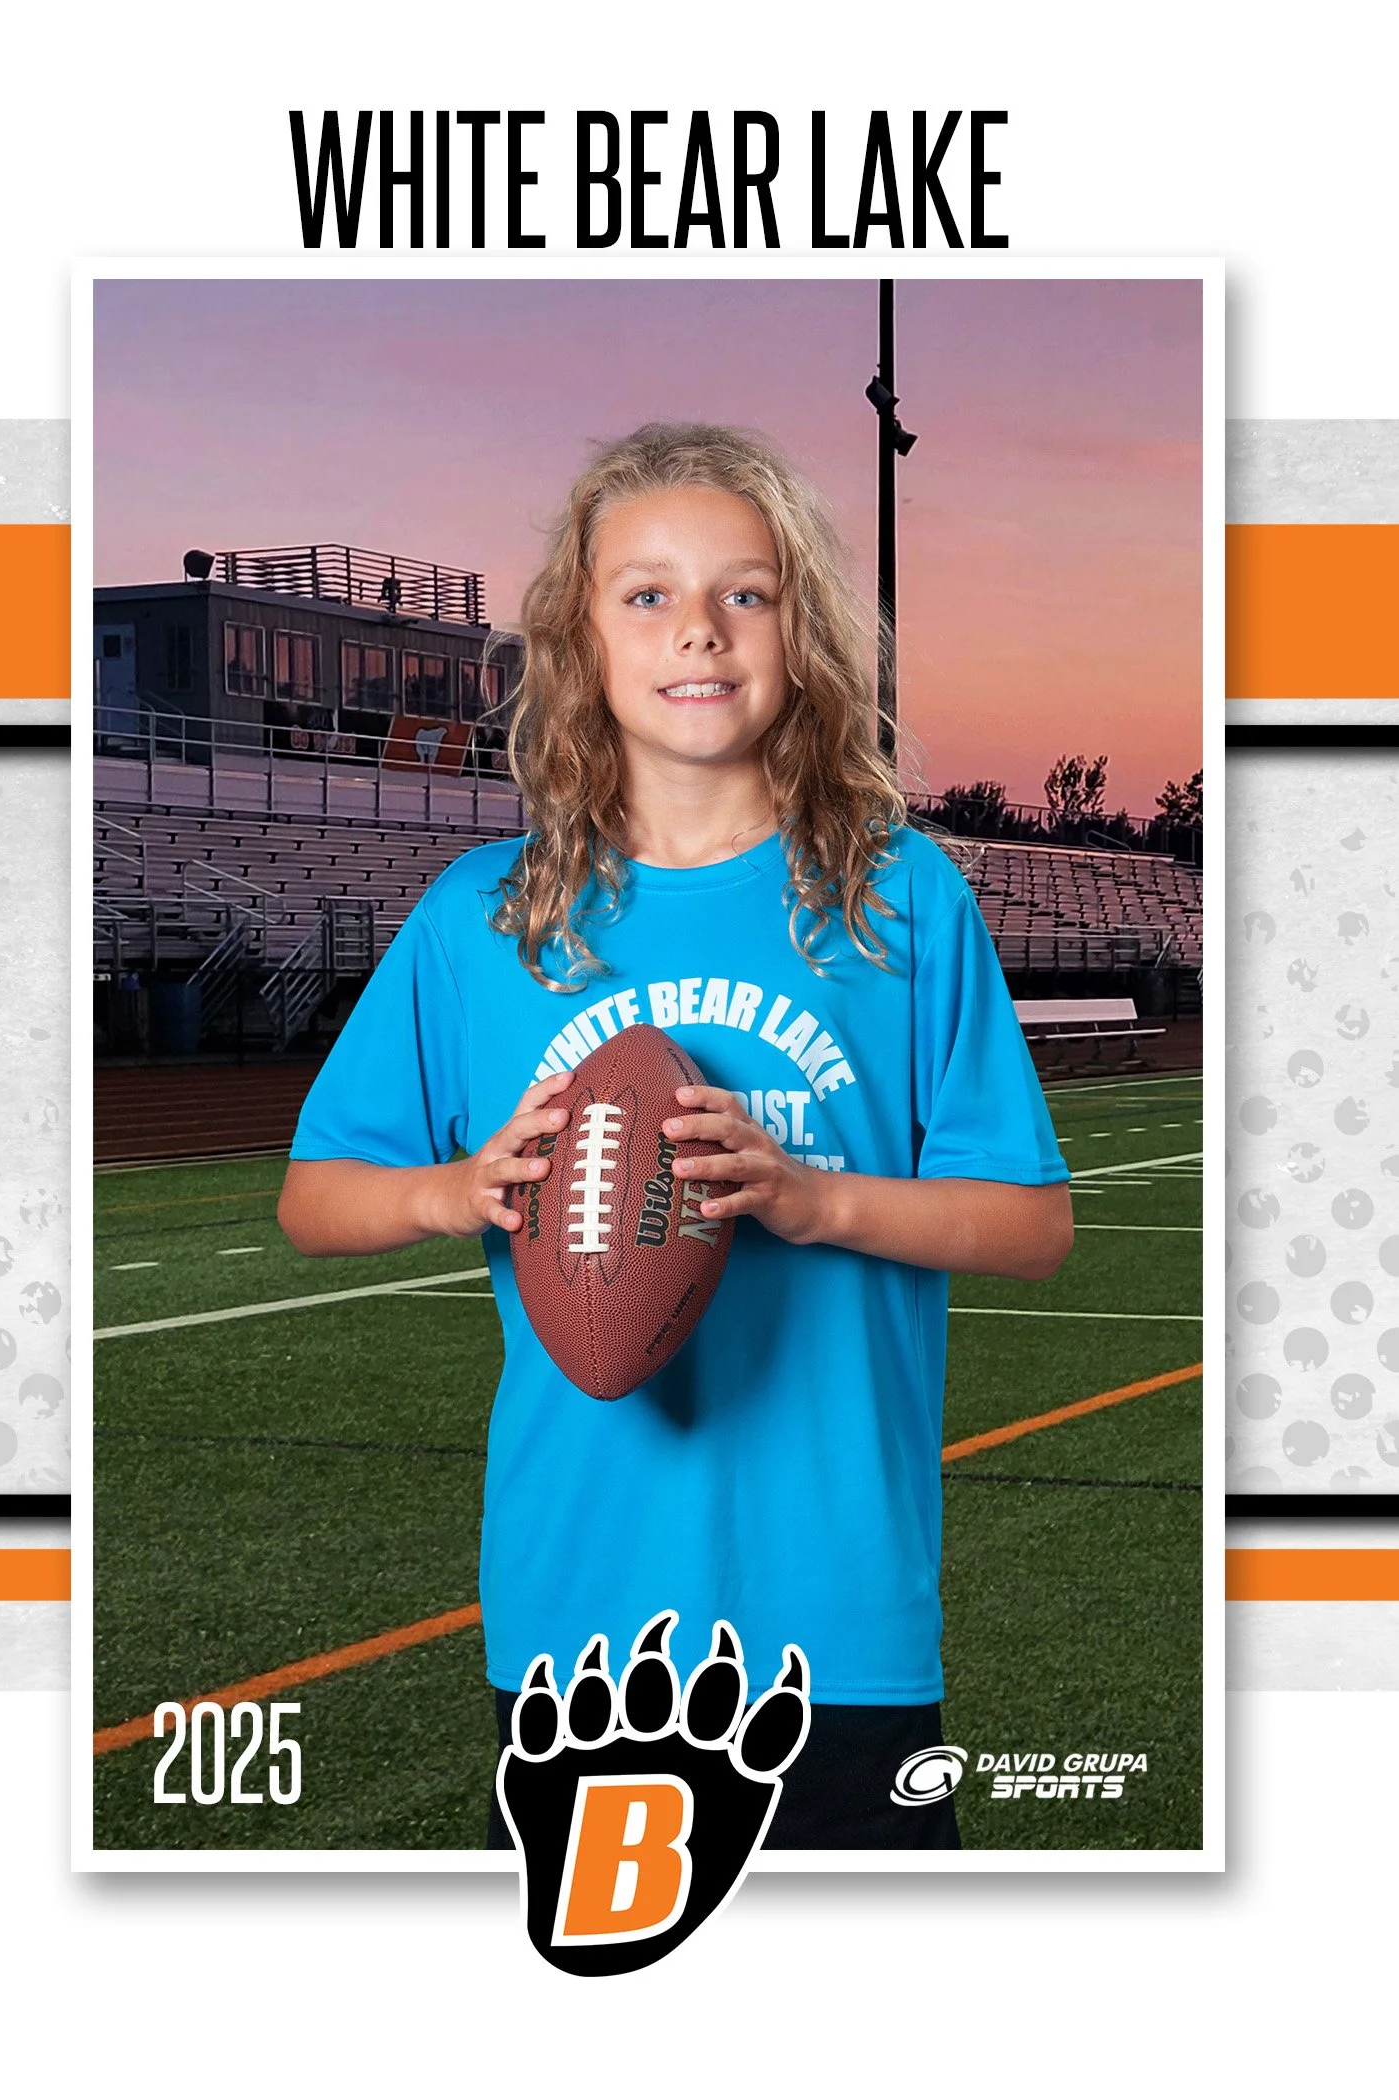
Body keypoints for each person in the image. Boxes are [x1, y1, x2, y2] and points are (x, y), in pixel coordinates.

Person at [277, 422, 1073, 1849]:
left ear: (802, 632)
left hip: (836, 1612)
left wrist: (810, 1199)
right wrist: (452, 1191)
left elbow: (1030, 1222)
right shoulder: (483, 918)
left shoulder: (897, 901)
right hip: (577, 1624)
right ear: (579, 643)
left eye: (745, 593)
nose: (697, 630)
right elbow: (315, 1196)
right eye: (645, 593)